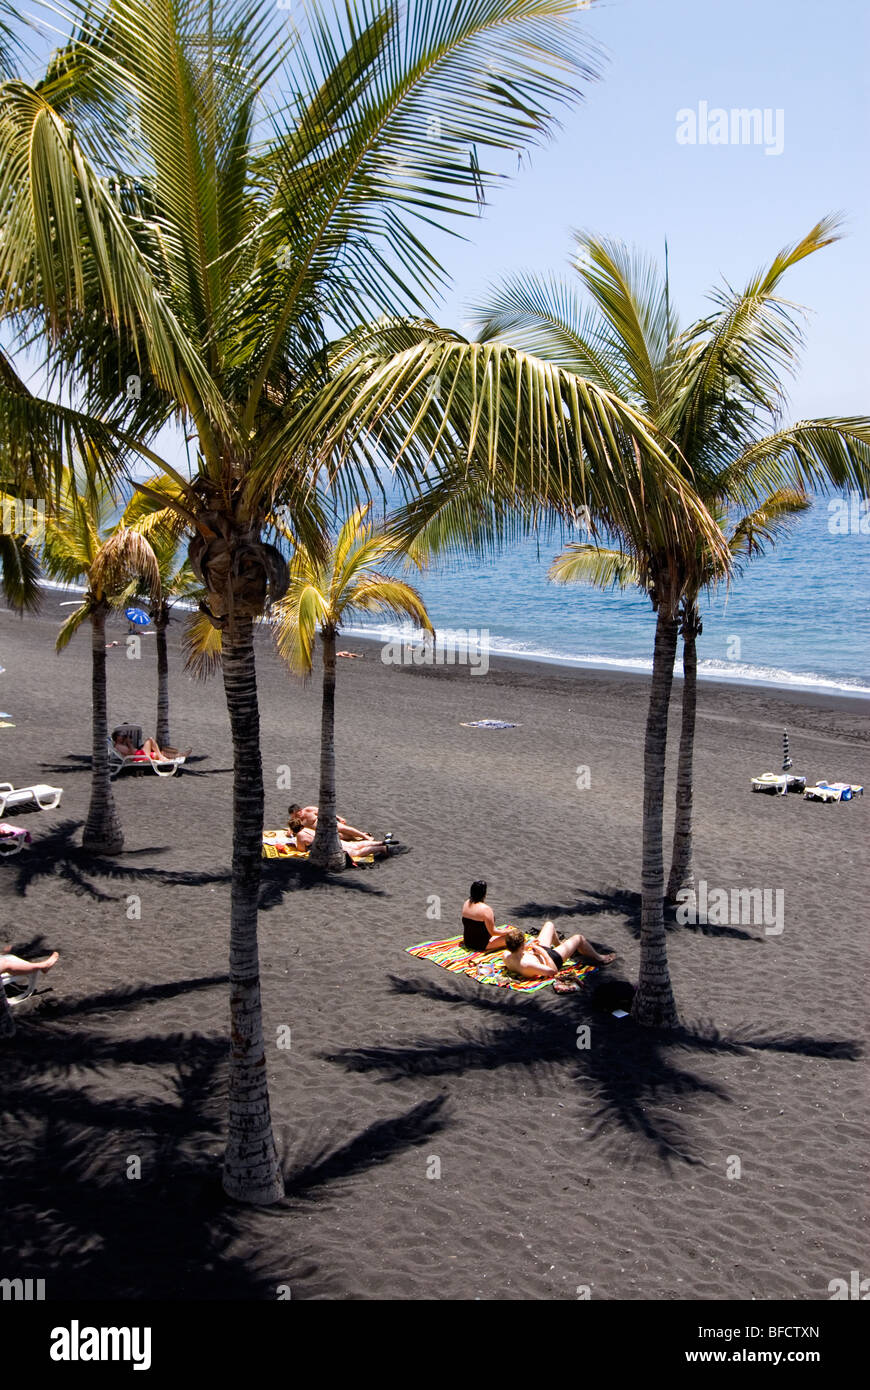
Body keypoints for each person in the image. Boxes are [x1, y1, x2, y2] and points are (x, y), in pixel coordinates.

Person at [502, 922, 615, 980]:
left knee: (549, 925)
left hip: (536, 953)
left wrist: (528, 948)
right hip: (551, 958)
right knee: (578, 938)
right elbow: (553, 971)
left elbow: (517, 951)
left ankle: (560, 946)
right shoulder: (527, 964)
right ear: (520, 945)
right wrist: (542, 951)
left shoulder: (506, 955)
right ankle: (600, 958)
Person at [288, 814, 397, 860]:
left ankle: (382, 848)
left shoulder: (300, 836)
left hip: (330, 847)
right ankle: (381, 842)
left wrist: (294, 843)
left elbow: (301, 849)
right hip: (333, 840)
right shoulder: (307, 829)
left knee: (356, 852)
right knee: (357, 844)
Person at [460, 880, 511, 953]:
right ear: (484, 894)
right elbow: (493, 932)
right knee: (513, 938)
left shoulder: (466, 903)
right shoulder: (486, 909)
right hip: (481, 945)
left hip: (467, 942)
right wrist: (509, 932)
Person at [287, 804, 373, 842]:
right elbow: (293, 828)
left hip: (326, 824)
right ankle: (357, 837)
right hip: (322, 833)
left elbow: (325, 812)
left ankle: (365, 836)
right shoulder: (297, 820)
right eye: (292, 816)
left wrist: (339, 817)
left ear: (300, 811)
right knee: (340, 836)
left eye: (295, 815)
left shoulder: (309, 810)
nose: (294, 817)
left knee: (343, 828)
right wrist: (290, 832)